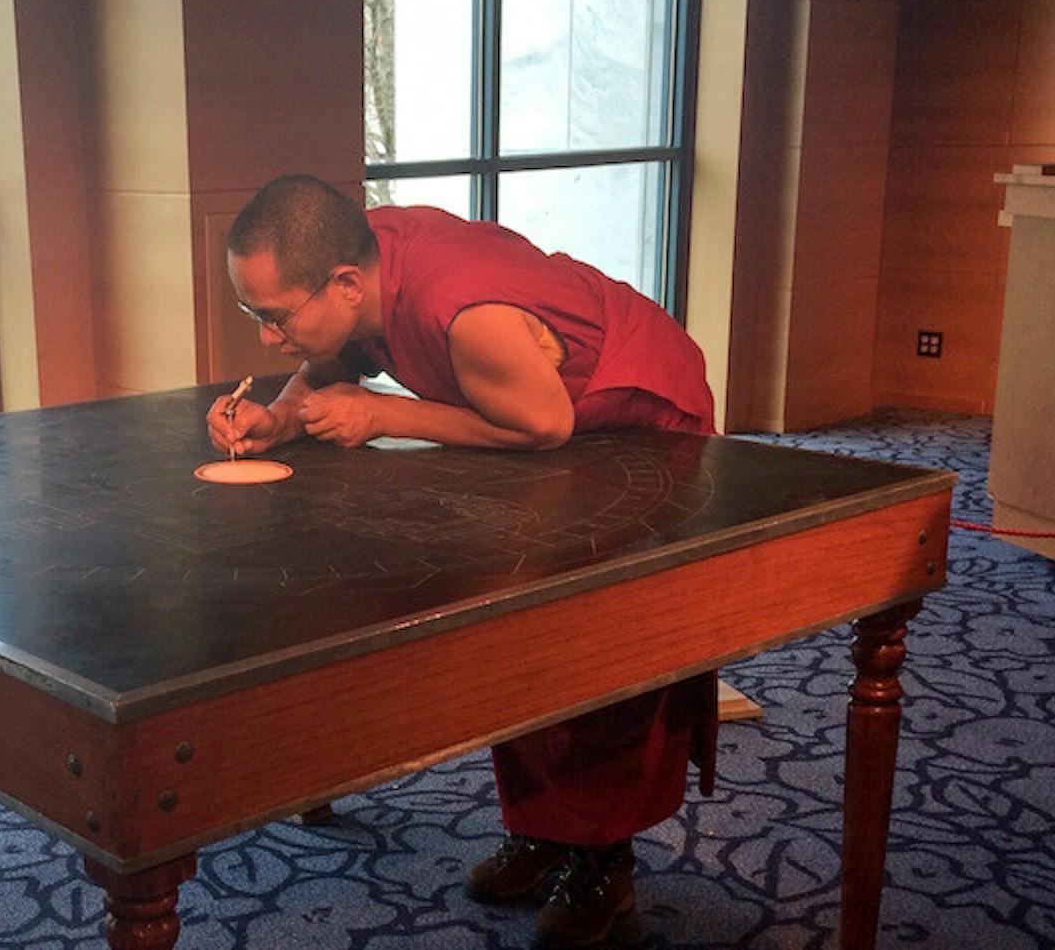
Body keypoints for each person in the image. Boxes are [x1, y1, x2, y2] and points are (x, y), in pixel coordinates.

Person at [206, 174, 718, 950]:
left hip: (634, 418)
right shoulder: (358, 258)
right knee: (509, 608)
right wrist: (280, 418)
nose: (269, 340)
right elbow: (338, 354)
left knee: (595, 630)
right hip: (530, 411)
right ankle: (545, 832)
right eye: (256, 315)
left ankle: (603, 862)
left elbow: (543, 423)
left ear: (346, 283)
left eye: (275, 319)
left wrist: (383, 413)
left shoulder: (462, 308)